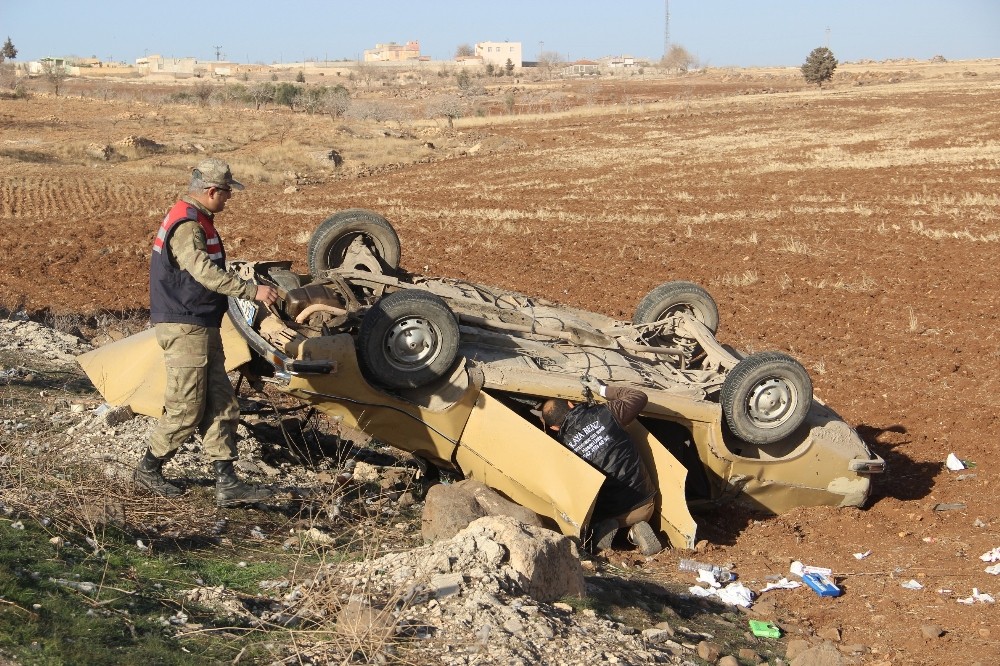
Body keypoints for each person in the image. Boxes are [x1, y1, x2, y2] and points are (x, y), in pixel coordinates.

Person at [134, 157, 279, 506]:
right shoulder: (187, 224)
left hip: (201, 324)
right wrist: (249, 290)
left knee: (222, 403)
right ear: (212, 191)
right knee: (186, 407)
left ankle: (227, 484)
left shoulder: (197, 218)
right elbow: (203, 272)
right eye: (227, 193)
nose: (229, 199)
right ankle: (148, 469)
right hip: (186, 326)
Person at [541, 377, 661, 555]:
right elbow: (639, 396)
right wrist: (603, 390)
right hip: (645, 503)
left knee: (590, 518)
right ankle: (635, 530)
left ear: (553, 428)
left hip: (608, 513)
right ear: (571, 404)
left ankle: (605, 532)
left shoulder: (562, 449)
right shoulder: (606, 413)